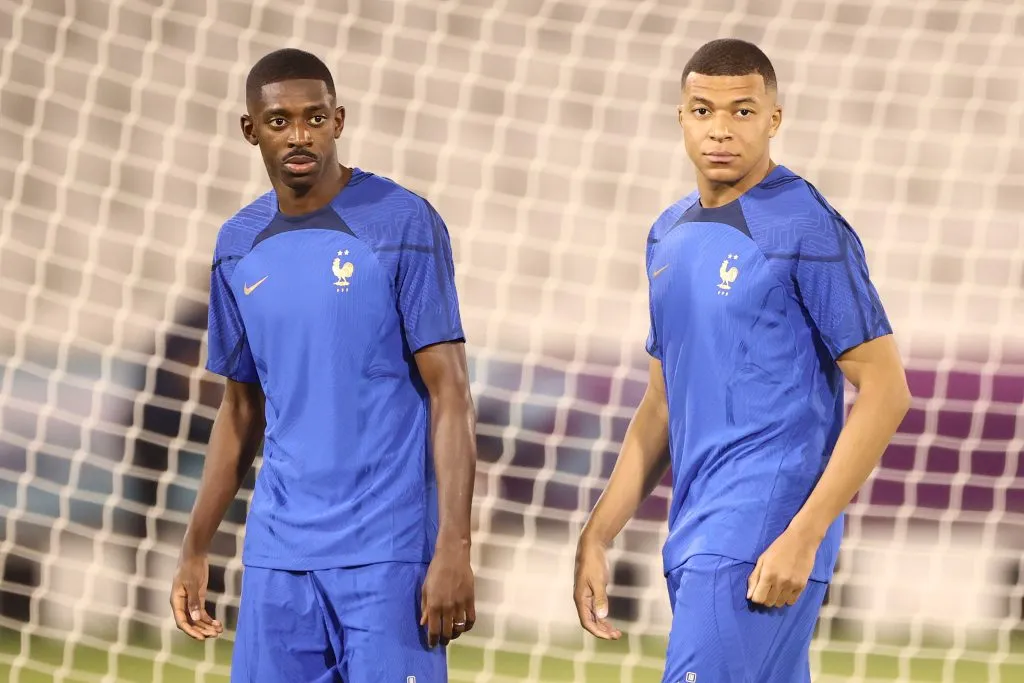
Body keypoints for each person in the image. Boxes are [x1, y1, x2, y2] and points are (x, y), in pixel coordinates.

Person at [573, 38, 911, 682]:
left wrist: (805, 534)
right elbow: (661, 404)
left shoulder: (805, 225)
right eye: (703, 111)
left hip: (760, 537)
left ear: (774, 119)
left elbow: (887, 390)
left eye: (743, 111)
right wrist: (599, 533)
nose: (721, 130)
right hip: (694, 534)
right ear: (680, 117)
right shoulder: (666, 233)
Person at [169, 48, 477, 683]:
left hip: (387, 556)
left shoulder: (403, 223)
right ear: (250, 130)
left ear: (339, 120)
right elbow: (240, 409)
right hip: (279, 558)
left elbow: (451, 395)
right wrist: (196, 544)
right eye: (279, 121)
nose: (299, 135)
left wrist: (453, 546)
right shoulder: (236, 245)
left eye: (314, 117)